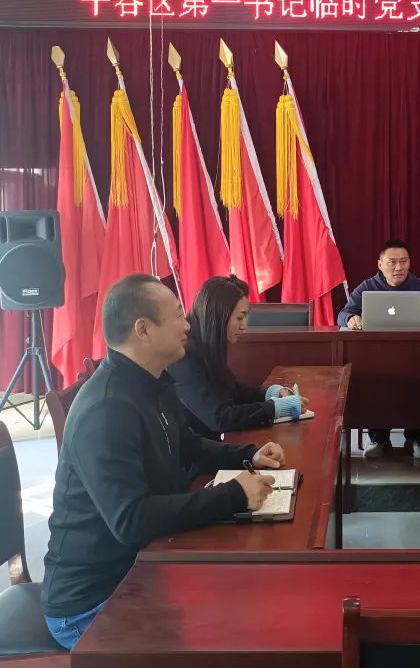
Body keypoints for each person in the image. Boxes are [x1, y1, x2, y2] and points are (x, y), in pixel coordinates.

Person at [42, 274, 286, 650]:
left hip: (145, 566)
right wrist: (233, 495)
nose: (187, 325)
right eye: (177, 316)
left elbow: (187, 444)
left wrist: (247, 455)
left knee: (250, 605)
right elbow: (132, 520)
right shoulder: (107, 409)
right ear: (144, 330)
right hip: (94, 601)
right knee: (230, 636)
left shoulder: (151, 383)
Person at [338, 239, 420, 459]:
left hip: (415, 357)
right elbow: (342, 313)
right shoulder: (368, 286)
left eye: (404, 261)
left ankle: (415, 439)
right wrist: (351, 318)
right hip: (376, 356)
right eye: (392, 262)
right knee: (375, 386)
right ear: (380, 264)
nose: (399, 267)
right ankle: (379, 439)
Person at [169, 275, 309, 436]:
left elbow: (232, 390)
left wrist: (272, 393)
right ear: (219, 315)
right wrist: (275, 408)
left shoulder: (208, 344)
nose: (244, 326)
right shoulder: (184, 355)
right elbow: (220, 418)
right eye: (240, 317)